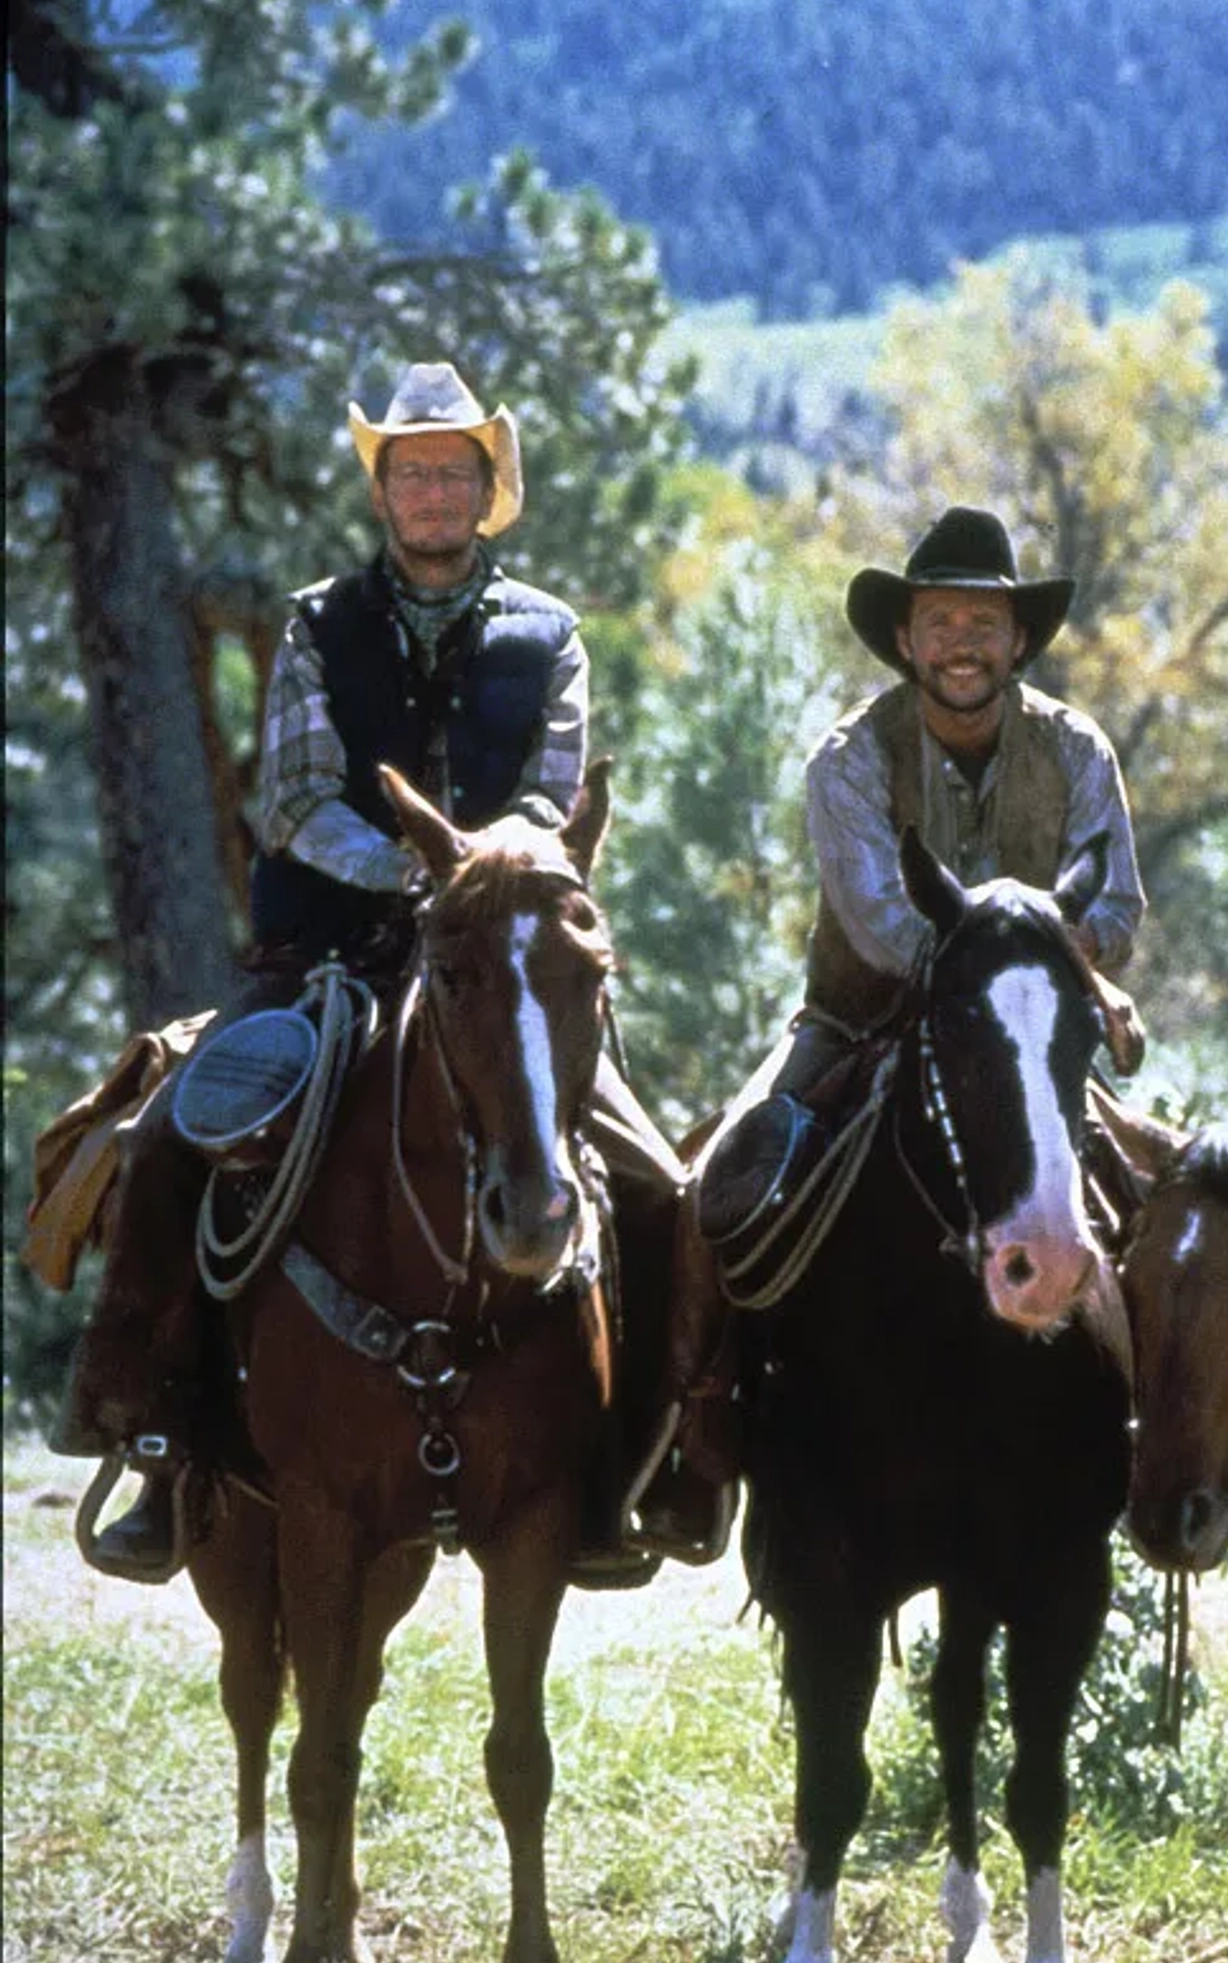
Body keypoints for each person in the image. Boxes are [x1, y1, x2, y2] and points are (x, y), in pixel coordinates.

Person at [53, 360, 734, 1584]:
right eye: (410, 471)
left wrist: (483, 878)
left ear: (488, 491)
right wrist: (420, 878)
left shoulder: (552, 634)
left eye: (452, 472)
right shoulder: (319, 624)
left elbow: (553, 788)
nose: (430, 490)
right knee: (170, 1136)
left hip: (508, 963)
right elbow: (300, 802)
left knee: (663, 1191)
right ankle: (157, 1432)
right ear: (383, 494)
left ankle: (634, 1470)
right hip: (331, 956)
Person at [696, 504, 1146, 1239]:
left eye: (983, 625)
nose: (960, 646)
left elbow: (1116, 906)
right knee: (715, 1190)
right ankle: (692, 1355)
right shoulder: (849, 758)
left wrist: (1075, 972)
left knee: (1159, 1217)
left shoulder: (1078, 749)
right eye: (939, 624)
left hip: (1028, 1036)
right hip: (853, 1025)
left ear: (1019, 639)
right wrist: (1047, 957)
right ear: (905, 641)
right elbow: (886, 933)